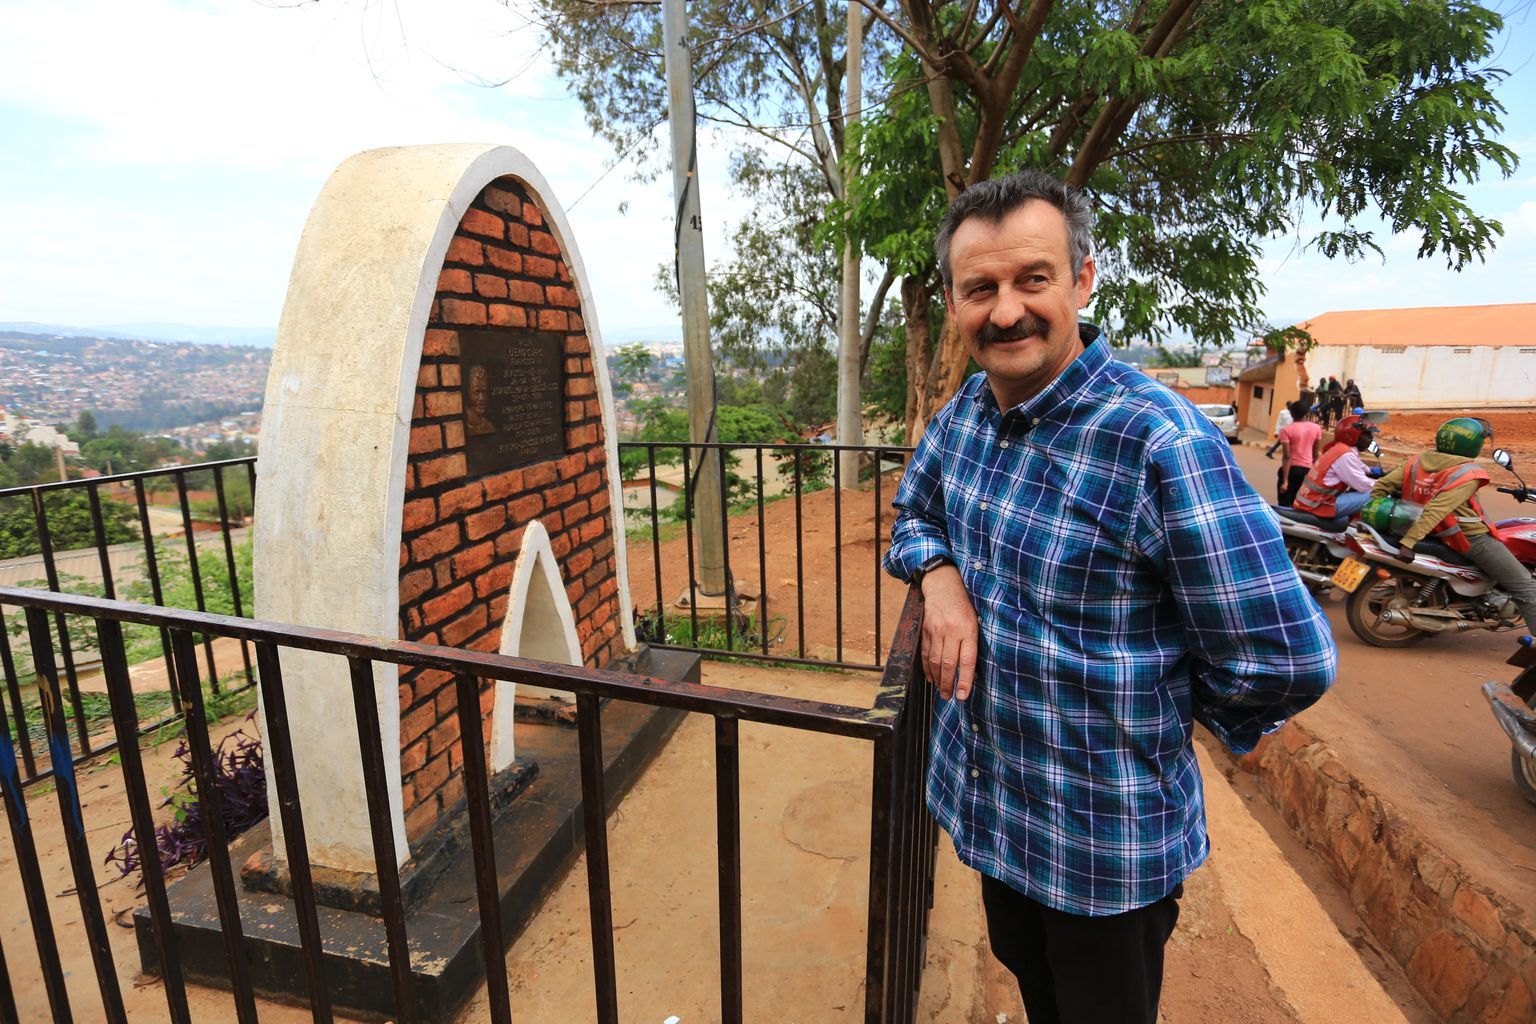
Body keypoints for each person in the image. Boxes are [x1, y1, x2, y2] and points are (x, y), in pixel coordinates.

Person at [883, 170, 1335, 1024]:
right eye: (981, 288)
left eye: (1033, 279)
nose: (1006, 312)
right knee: (1030, 982)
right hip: (994, 810)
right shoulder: (965, 415)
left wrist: (1155, 717)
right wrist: (939, 580)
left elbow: (1285, 657)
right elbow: (915, 513)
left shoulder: (1158, 440)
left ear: (1083, 280)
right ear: (953, 302)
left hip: (1103, 847)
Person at [1369, 417, 1536, 632]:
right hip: (1467, 538)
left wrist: (1401, 514)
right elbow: (1437, 509)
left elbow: (1381, 488)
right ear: (1473, 445)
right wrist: (1409, 542)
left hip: (1428, 531)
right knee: (1525, 586)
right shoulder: (1468, 473)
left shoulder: (1416, 462)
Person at [1291, 414, 1380, 521]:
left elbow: (1360, 467)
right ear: (1351, 435)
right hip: (1318, 505)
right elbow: (1364, 485)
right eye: (1367, 434)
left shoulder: (1340, 449)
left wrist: (1373, 471)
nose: (1371, 438)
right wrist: (1386, 485)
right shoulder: (1345, 455)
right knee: (1377, 492)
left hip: (1310, 502)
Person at [1275, 401, 1324, 506]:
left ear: (1291, 414)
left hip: (1291, 470)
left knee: (1285, 504)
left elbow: (1287, 456)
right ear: (1307, 413)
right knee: (1300, 504)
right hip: (1307, 471)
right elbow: (1315, 454)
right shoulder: (1316, 428)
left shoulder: (1286, 430)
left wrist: (1285, 481)